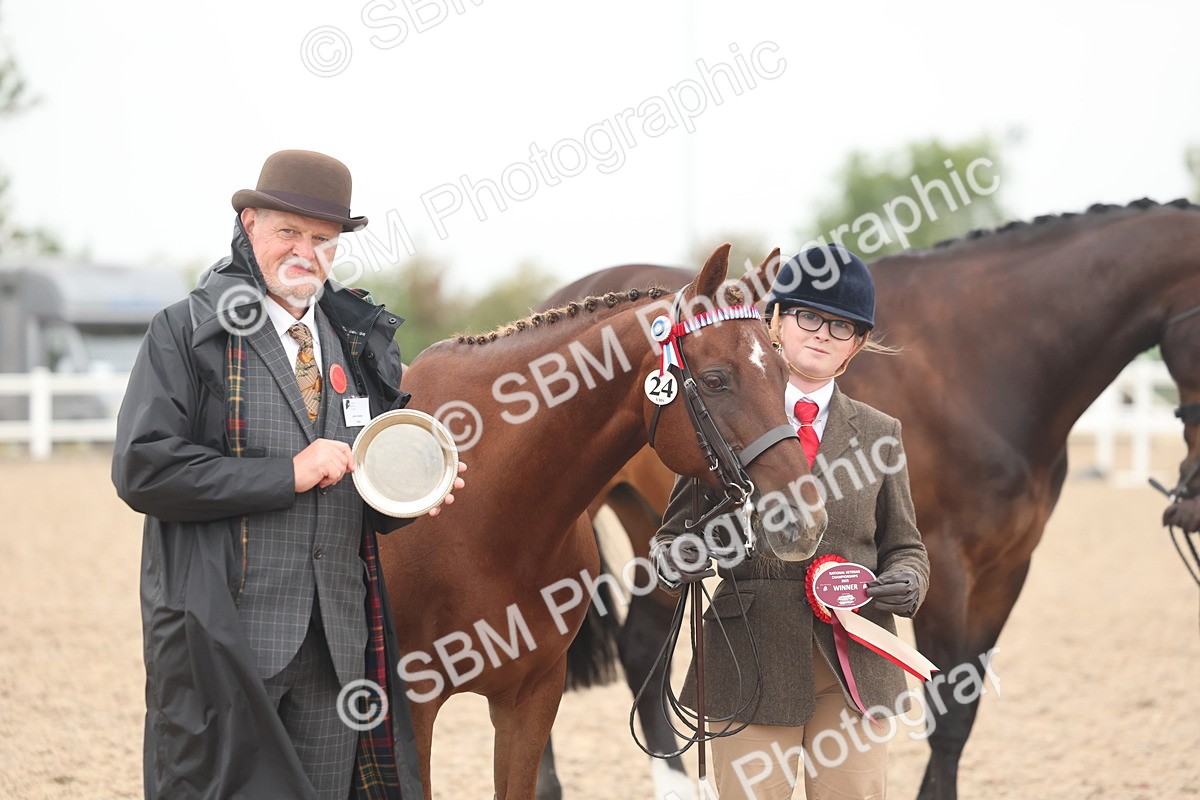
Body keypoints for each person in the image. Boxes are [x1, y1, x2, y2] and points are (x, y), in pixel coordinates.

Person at [112, 150, 464, 800]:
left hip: (337, 648)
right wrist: (288, 473)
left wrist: (413, 493)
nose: (306, 252)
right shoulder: (184, 333)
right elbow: (143, 469)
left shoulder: (361, 344)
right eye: (288, 232)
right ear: (249, 225)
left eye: (323, 239)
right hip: (227, 638)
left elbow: (368, 498)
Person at [651, 244, 930, 799]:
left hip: (857, 662)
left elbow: (906, 545)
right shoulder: (724, 415)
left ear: (857, 345)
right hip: (749, 660)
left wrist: (910, 580)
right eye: (809, 316)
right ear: (775, 321)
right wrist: (685, 557)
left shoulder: (879, 433)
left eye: (843, 326)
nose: (824, 333)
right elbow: (669, 540)